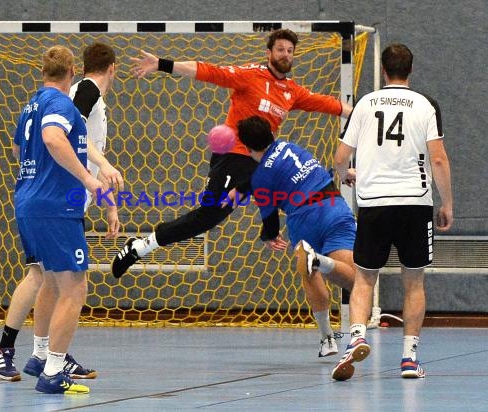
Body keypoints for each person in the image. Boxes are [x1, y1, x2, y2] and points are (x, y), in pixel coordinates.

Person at [112, 29, 353, 302]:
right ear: (269, 53)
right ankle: (142, 246)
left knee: (275, 187)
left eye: (289, 51)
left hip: (261, 162)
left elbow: (326, 104)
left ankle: (275, 228)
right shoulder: (250, 76)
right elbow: (207, 71)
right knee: (208, 216)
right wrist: (162, 64)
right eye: (280, 49)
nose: (285, 55)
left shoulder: (291, 91)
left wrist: (359, 112)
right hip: (235, 158)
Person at [0, 44, 107, 394]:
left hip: (28, 201)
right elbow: (52, 137)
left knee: (51, 281)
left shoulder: (31, 106)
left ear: (43, 72)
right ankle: (54, 370)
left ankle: (42, 357)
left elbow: (16, 150)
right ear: (72, 73)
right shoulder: (60, 104)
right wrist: (88, 179)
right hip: (54, 205)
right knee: (75, 286)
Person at [331, 43, 453, 381]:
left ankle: (356, 336)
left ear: (383, 71)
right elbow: (439, 158)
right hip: (415, 205)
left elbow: (341, 157)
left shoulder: (365, 104)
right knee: (413, 281)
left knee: (365, 277)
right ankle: (409, 360)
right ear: (410, 71)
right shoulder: (426, 104)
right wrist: (448, 204)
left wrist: (346, 177)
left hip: (375, 204)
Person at [235, 115, 356, 356]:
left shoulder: (260, 177)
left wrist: (268, 236)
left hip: (303, 219)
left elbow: (270, 220)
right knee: (355, 280)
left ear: (247, 148)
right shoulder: (291, 147)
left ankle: (327, 339)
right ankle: (323, 263)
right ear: (271, 133)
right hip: (334, 206)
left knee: (309, 275)